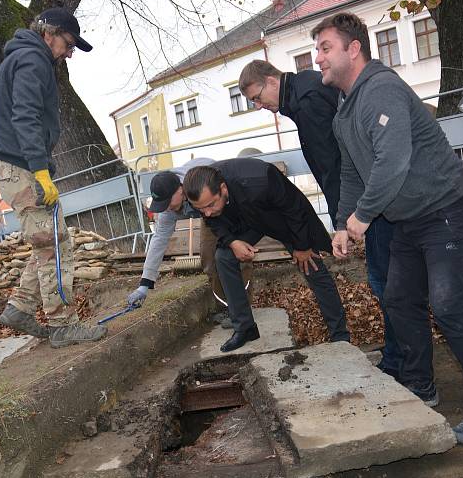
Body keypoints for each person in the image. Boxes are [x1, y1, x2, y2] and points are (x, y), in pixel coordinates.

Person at [313, 11, 463, 444]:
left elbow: (393, 161)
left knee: (451, 305)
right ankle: (421, 386)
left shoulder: (381, 89)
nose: (318, 58)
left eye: (325, 48)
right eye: (317, 50)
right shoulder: (344, 110)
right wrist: (343, 224)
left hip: (447, 208)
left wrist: (363, 219)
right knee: (400, 300)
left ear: (353, 49)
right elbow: (351, 171)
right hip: (408, 219)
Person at [239, 59, 401, 378]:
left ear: (272, 81)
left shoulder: (308, 101)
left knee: (386, 282)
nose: (259, 106)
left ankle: (402, 360)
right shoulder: (306, 89)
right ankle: (398, 352)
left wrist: (345, 219)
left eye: (257, 97)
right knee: (388, 278)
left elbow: (333, 164)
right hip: (371, 198)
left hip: (370, 203)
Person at [0, 7, 106, 348]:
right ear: (47, 33)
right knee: (55, 247)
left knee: (49, 242)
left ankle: (20, 308)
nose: (69, 53)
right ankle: (62, 325)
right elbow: (26, 117)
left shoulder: (25, 58)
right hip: (22, 168)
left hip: (17, 167)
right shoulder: (32, 60)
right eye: (68, 44)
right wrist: (39, 169)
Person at [184, 159, 350, 352]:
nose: (207, 213)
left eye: (211, 205)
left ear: (223, 188)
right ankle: (245, 328)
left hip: (285, 217)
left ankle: (340, 336)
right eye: (201, 209)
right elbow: (212, 221)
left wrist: (302, 246)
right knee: (223, 256)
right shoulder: (205, 197)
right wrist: (232, 241)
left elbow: (294, 209)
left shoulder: (260, 178)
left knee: (312, 266)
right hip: (248, 219)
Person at [127, 157, 251, 319]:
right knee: (208, 258)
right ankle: (227, 308)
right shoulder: (167, 209)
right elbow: (159, 241)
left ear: (180, 190)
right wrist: (145, 283)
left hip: (219, 204)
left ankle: (243, 306)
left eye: (168, 203)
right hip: (207, 216)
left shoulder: (196, 185)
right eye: (162, 204)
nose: (167, 208)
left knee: (234, 254)